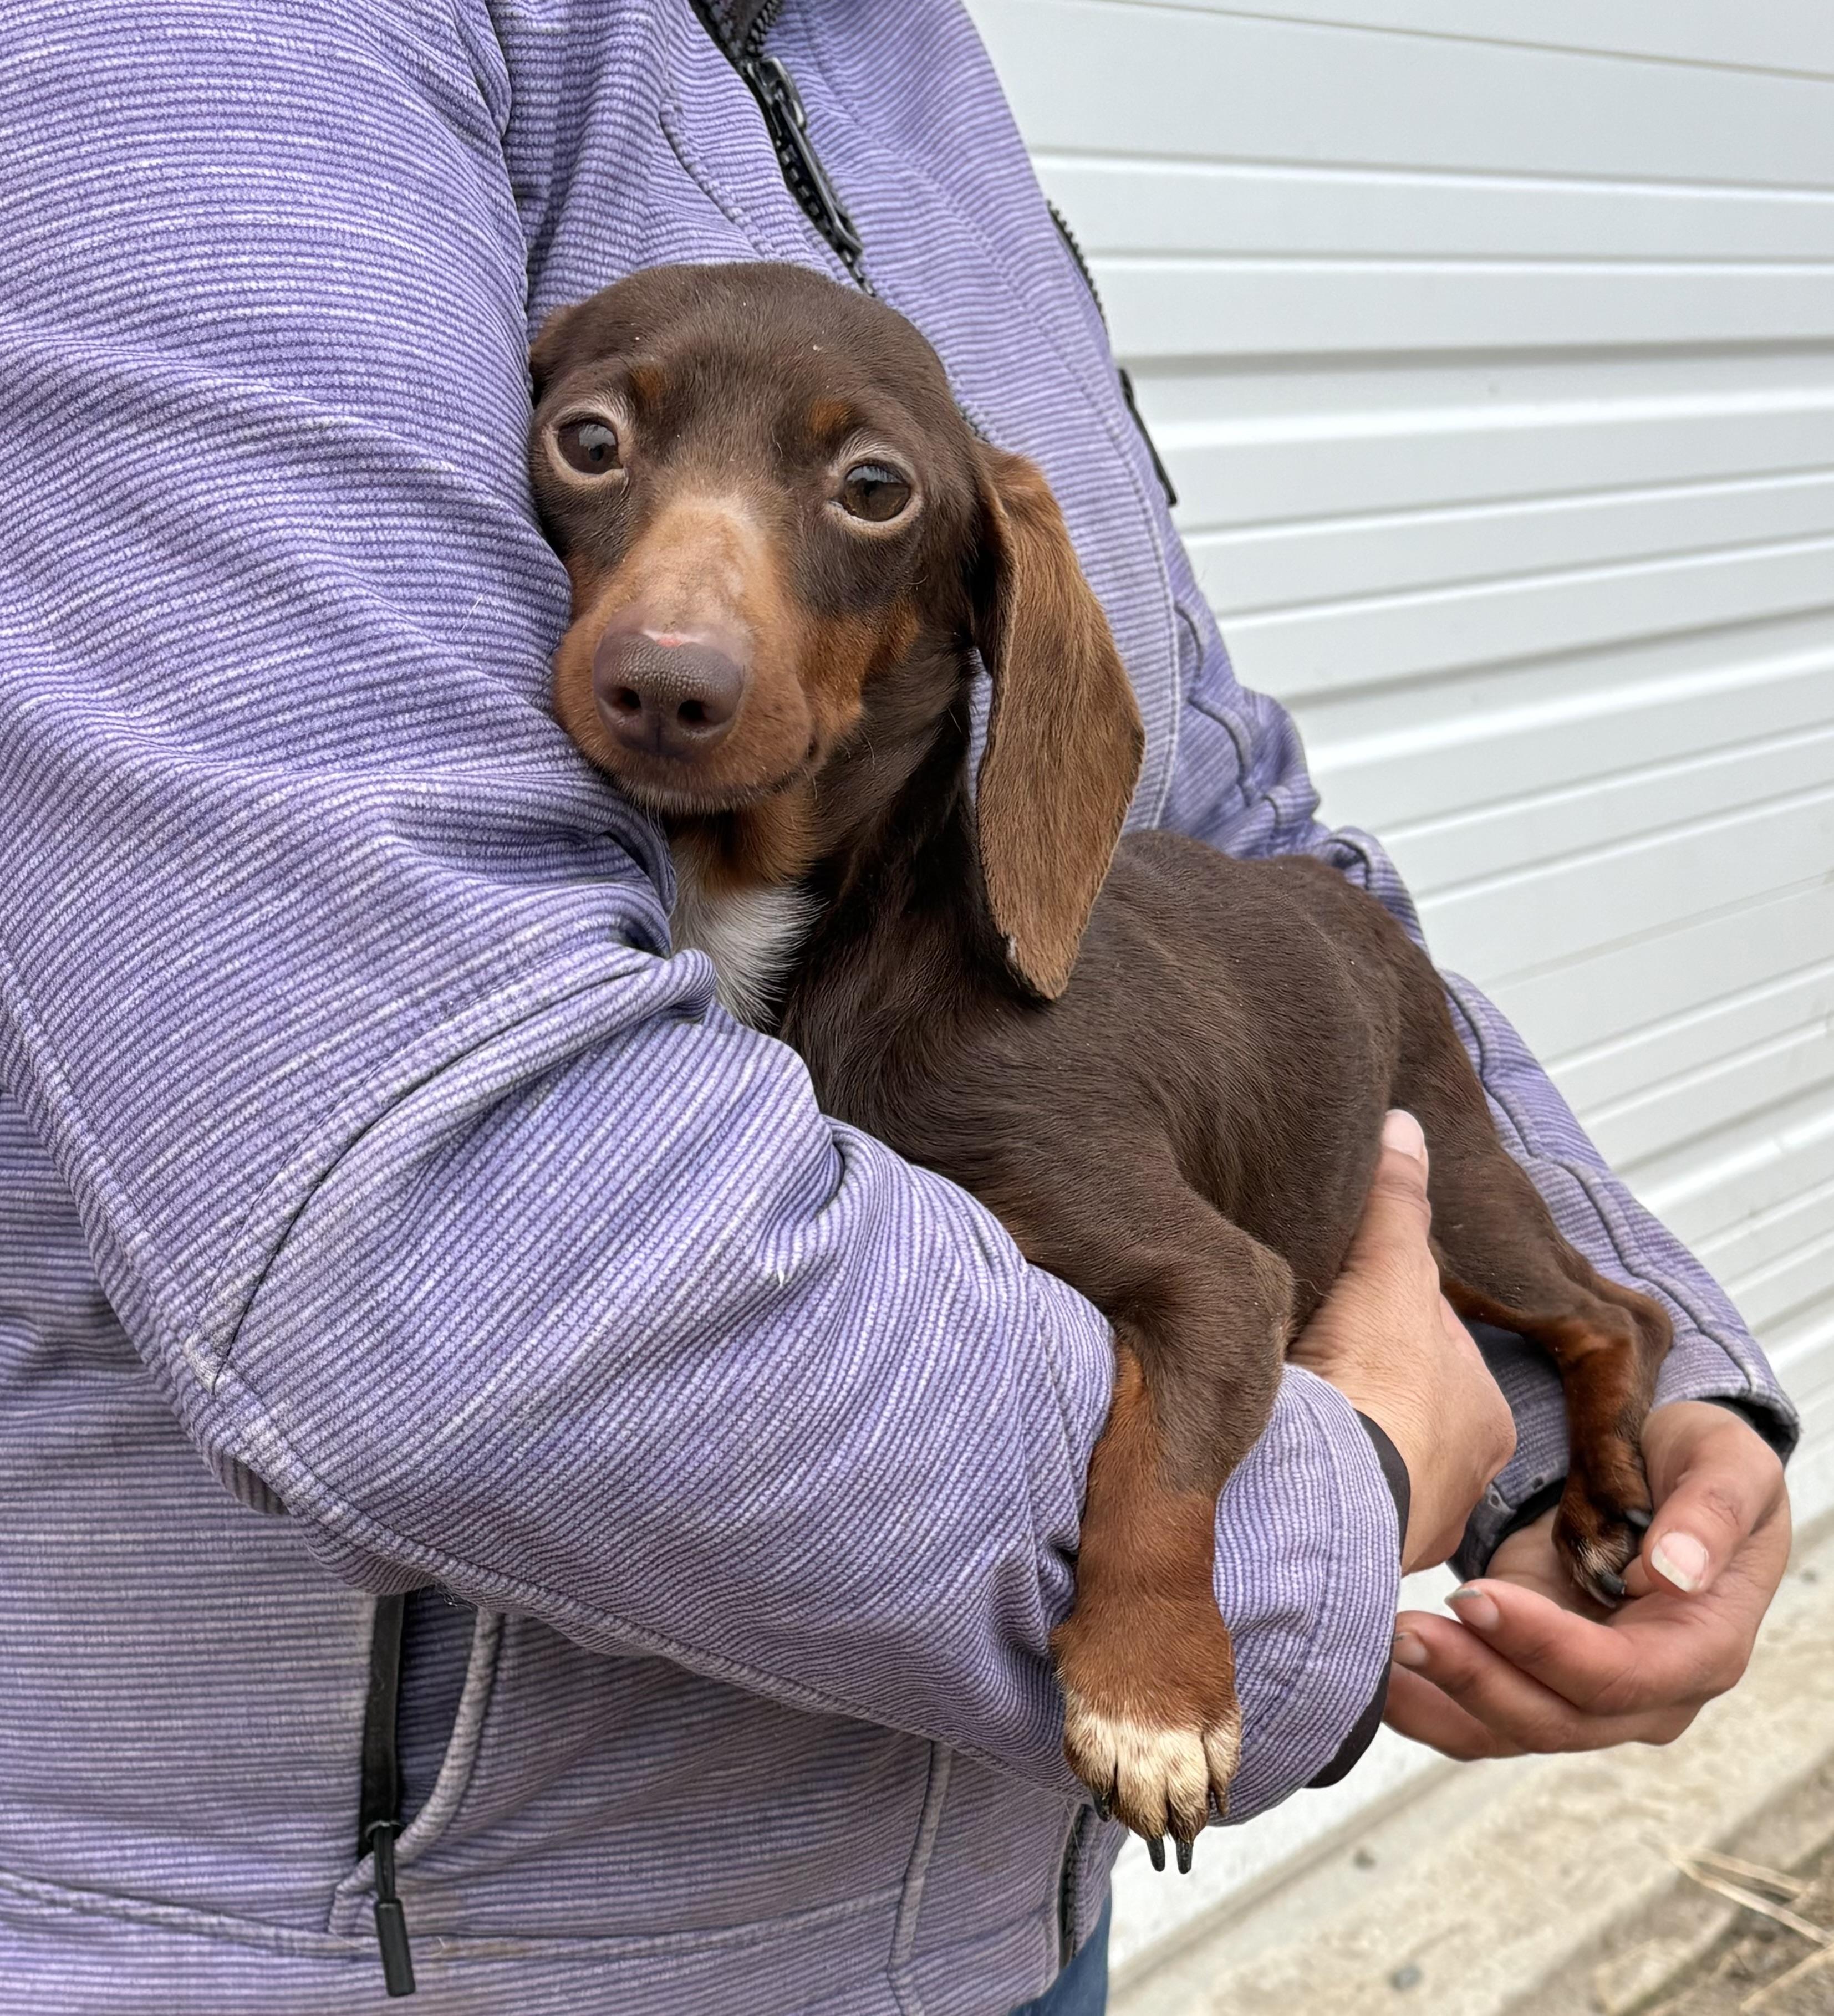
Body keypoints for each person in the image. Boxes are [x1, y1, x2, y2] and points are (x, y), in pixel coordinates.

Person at [0, 3, 1793, 2011]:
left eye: (863, 493)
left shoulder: (918, 76)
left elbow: (1230, 828)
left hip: (1006, 1911)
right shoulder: (192, 56)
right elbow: (448, 1253)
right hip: (445, 1960)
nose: (683, 632)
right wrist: (1325, 1515)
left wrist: (1580, 1413)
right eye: (591, 450)